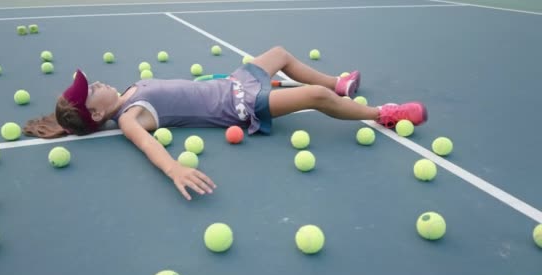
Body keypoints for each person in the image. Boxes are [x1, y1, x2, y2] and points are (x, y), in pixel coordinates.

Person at [24, 46, 427, 201]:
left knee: (280, 54)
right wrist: (175, 168)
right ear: (96, 113)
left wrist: (211, 81)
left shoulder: (131, 89)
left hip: (232, 84)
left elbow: (182, 90)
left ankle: (337, 81)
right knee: (318, 101)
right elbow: (148, 145)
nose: (94, 82)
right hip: (240, 105)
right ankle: (383, 114)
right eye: (90, 90)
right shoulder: (131, 117)